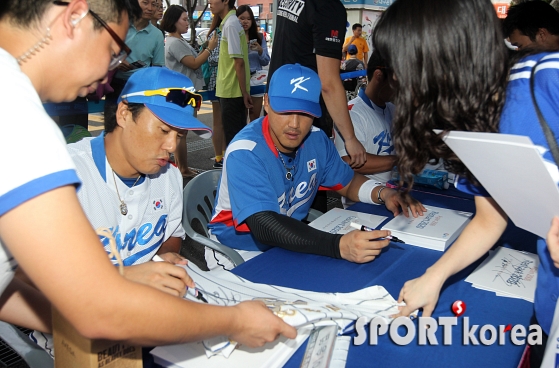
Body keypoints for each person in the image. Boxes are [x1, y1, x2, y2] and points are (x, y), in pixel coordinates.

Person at [0, 0, 295, 349]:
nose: (109, 74)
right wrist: (233, 321)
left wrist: (114, 288)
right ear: (74, 17)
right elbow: (96, 310)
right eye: (113, 50)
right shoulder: (18, 118)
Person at [371, 0, 557, 366]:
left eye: (402, 67)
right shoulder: (479, 114)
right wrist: (434, 276)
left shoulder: (548, 80)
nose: (397, 81)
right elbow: (491, 216)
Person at [206, 64, 425, 270]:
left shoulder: (316, 140)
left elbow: (348, 183)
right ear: (267, 102)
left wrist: (383, 193)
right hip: (236, 251)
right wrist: (338, 246)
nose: (294, 124)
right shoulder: (246, 151)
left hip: (287, 242)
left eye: (304, 113)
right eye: (285, 111)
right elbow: (264, 225)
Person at [268, 0, 366, 170]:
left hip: (277, 104)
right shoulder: (328, 7)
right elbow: (328, 83)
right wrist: (350, 138)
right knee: (310, 185)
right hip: (303, 113)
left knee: (278, 180)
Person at [162, 5, 219, 178]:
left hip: (185, 92)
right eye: (184, 19)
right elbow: (193, 63)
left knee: (181, 133)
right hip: (181, 93)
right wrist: (210, 48)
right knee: (180, 133)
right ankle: (182, 168)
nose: (188, 23)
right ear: (174, 21)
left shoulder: (178, 40)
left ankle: (182, 167)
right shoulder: (174, 42)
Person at [335, 51, 396, 207]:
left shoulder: (393, 109)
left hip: (394, 193)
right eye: (397, 80)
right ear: (379, 75)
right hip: (363, 203)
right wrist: (400, 161)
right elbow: (348, 163)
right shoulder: (350, 114)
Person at [105, 0, 165, 110]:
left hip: (141, 87)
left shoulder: (157, 35)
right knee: (113, 122)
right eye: (145, 3)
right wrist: (115, 62)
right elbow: (101, 52)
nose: (150, 8)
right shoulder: (119, 25)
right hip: (115, 85)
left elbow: (157, 68)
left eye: (154, 5)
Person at [209, 0, 252, 145]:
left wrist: (244, 92)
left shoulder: (231, 24)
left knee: (233, 139)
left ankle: (234, 167)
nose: (209, 2)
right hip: (231, 90)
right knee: (234, 135)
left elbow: (238, 62)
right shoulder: (230, 23)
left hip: (232, 91)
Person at [237, 5, 270, 122]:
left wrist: (260, 50)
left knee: (255, 116)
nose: (245, 21)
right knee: (240, 117)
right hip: (239, 80)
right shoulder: (234, 37)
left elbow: (266, 60)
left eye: (248, 19)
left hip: (256, 79)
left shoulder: (259, 37)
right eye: (242, 18)